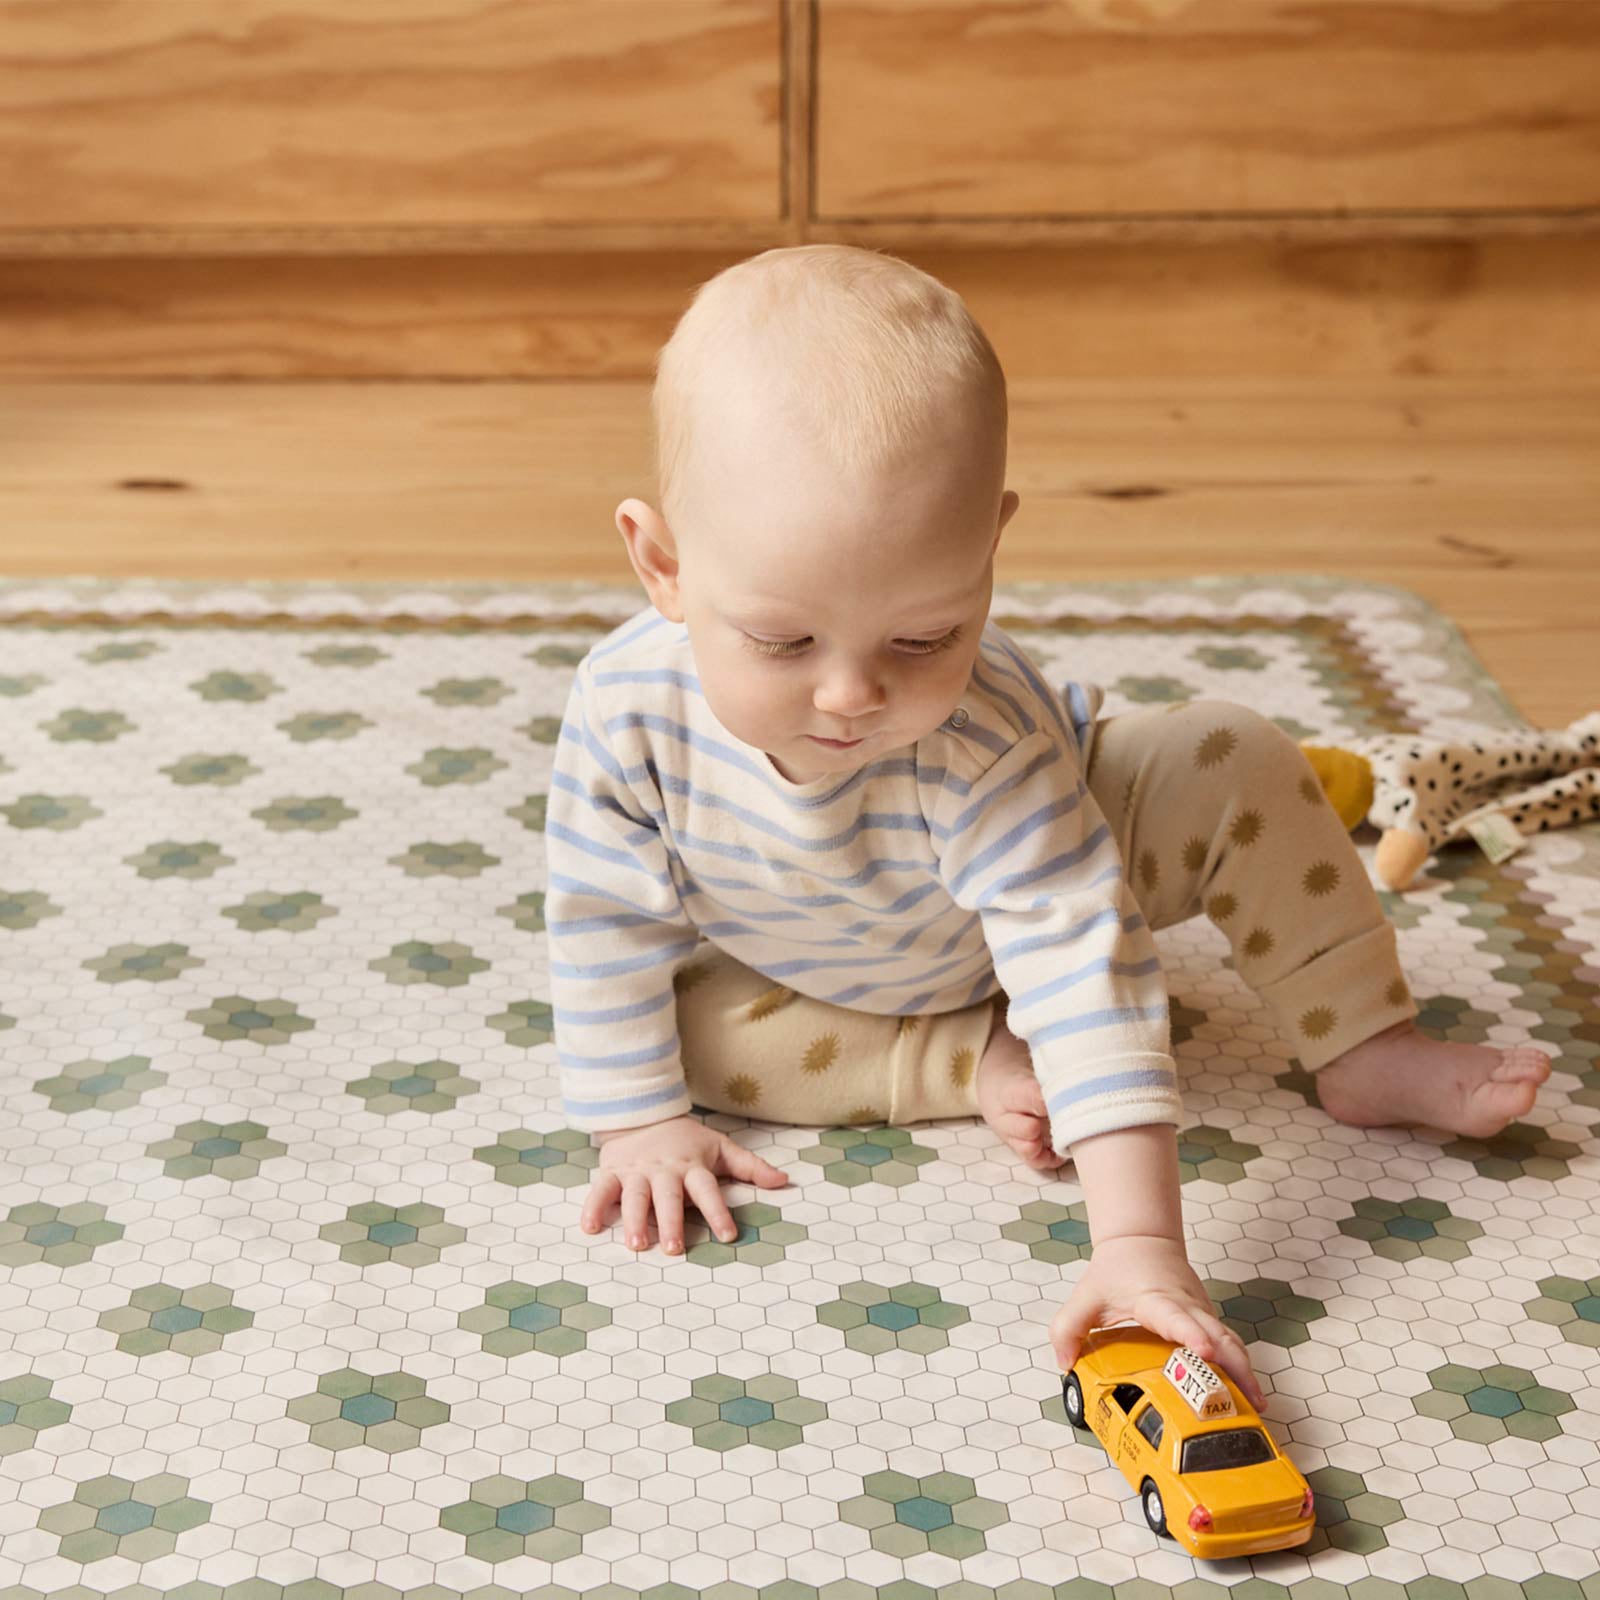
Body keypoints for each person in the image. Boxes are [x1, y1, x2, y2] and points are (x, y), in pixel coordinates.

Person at [545, 243, 1552, 1408]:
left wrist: (1137, 1249)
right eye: (782, 641)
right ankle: (964, 1058)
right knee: (678, 1043)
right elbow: (603, 922)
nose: (851, 696)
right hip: (802, 961)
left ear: (988, 550)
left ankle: (1364, 1044)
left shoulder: (986, 743)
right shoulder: (625, 714)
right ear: (661, 565)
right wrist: (639, 1124)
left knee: (1233, 755)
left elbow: (1083, 964)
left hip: (1066, 869)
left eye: (923, 636)